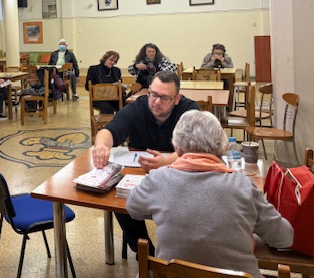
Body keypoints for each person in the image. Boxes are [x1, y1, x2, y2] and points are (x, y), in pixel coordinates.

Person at [126, 110, 293, 277]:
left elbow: (132, 208)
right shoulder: (243, 186)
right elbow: (284, 237)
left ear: (176, 147)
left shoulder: (158, 179)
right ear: (223, 148)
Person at [91, 71, 199, 256]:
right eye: (153, 94)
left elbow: (195, 146)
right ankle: (145, 254)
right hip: (140, 175)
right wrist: (101, 145)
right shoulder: (137, 108)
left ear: (177, 99)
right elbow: (109, 131)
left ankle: (178, 256)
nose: (156, 102)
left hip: (178, 175)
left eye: (164, 98)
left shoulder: (189, 110)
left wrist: (166, 162)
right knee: (121, 197)